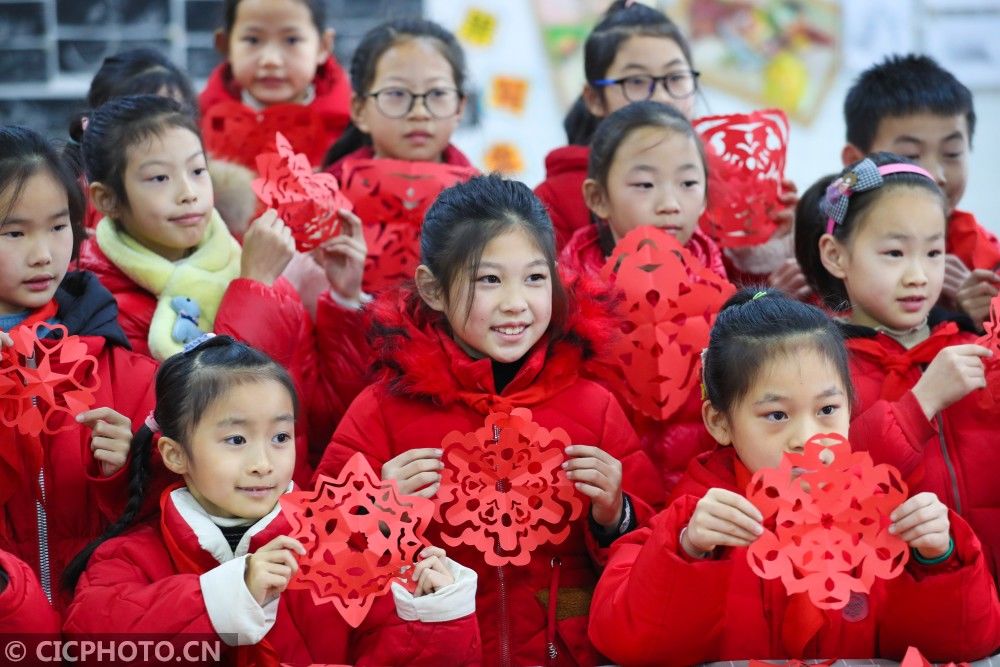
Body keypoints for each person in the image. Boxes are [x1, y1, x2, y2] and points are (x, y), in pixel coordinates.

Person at [314, 175, 664, 666]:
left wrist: (615, 513)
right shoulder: (382, 410)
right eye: (489, 280)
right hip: (430, 653)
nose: (516, 303)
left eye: (535, 278)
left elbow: (647, 557)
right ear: (433, 289)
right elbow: (323, 565)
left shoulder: (594, 406)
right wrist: (373, 508)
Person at [588, 288, 1000, 664]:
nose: (807, 438)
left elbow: (969, 643)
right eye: (777, 415)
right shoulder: (695, 522)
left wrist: (940, 558)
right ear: (720, 422)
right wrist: (688, 551)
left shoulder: (881, 513)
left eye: (827, 410)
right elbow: (625, 640)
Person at [63, 336, 481, 665]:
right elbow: (91, 640)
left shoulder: (350, 546)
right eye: (236, 440)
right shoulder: (128, 558)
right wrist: (228, 595)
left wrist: (432, 614)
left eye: (280, 437)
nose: (263, 463)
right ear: (175, 454)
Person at [77, 94, 368, 480]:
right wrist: (254, 289)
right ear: (107, 198)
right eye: (159, 178)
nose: (188, 192)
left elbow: (323, 417)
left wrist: (346, 298)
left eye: (198, 171)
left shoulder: (245, 263)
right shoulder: (98, 305)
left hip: (286, 514)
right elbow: (185, 434)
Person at [795, 152, 1000, 579]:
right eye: (894, 252)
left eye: (933, 252)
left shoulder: (975, 351)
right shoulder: (816, 367)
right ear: (835, 256)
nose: (918, 275)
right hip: (889, 607)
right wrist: (921, 402)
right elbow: (822, 485)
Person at [0, 125, 158, 608]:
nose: (44, 254)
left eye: (57, 225)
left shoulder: (121, 367)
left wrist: (124, 471)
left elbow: (169, 516)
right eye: (14, 232)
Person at [562, 100, 722, 490]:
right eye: (644, 185)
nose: (670, 204)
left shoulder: (729, 304)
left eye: (688, 183)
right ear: (598, 197)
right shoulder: (560, 309)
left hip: (706, 505)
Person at [322, 18, 477, 296]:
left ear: (459, 107)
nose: (419, 111)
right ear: (359, 110)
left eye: (438, 93)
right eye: (396, 93)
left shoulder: (491, 205)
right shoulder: (321, 202)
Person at [842, 54, 999, 325]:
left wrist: (984, 317)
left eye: (951, 153)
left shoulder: (987, 263)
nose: (935, 175)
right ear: (856, 162)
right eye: (911, 156)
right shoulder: (821, 255)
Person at [198, 0, 351, 169]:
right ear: (225, 45)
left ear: (323, 46)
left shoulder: (354, 127)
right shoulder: (196, 124)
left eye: (291, 40)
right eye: (253, 40)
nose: (271, 60)